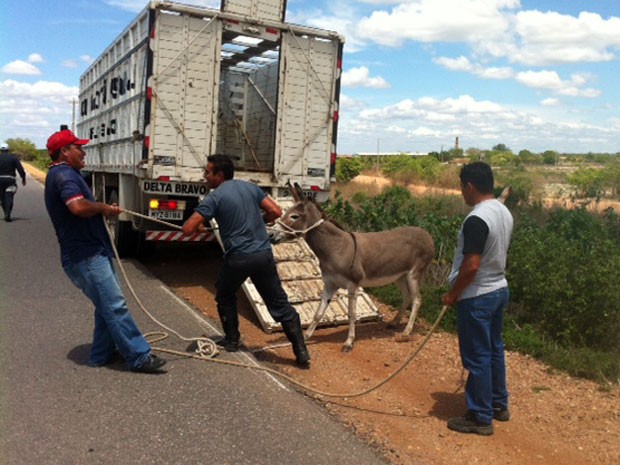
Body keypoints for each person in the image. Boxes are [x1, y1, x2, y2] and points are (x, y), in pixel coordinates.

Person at [44, 129, 166, 374]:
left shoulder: (64, 174)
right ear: (65, 152)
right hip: (86, 256)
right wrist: (103, 208)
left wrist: (102, 209)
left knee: (106, 306)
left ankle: (101, 354)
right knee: (115, 305)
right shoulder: (64, 176)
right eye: (78, 147)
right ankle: (139, 357)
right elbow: (77, 207)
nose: (84, 151)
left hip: (90, 253)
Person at [182, 154, 310, 366]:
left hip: (238, 258)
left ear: (219, 175)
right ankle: (301, 352)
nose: (204, 176)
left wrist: (198, 226)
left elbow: (187, 229)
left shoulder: (213, 198)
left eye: (207, 172)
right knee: (279, 304)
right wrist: (260, 220)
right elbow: (276, 211)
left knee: (224, 293)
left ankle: (232, 340)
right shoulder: (250, 188)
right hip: (263, 255)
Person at [442, 161, 513, 436]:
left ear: (469, 186)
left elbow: (471, 266)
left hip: (477, 296)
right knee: (494, 349)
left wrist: (452, 294)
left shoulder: (476, 219)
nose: (462, 193)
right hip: (498, 289)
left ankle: (480, 416)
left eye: (462, 187)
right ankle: (498, 404)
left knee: (478, 356)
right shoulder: (503, 212)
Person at [0, 142, 27, 222]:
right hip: (10, 180)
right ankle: (8, 213)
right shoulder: (13, 158)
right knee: (9, 197)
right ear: (8, 150)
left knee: (2, 199)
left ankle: (6, 212)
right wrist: (23, 178)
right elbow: (20, 169)